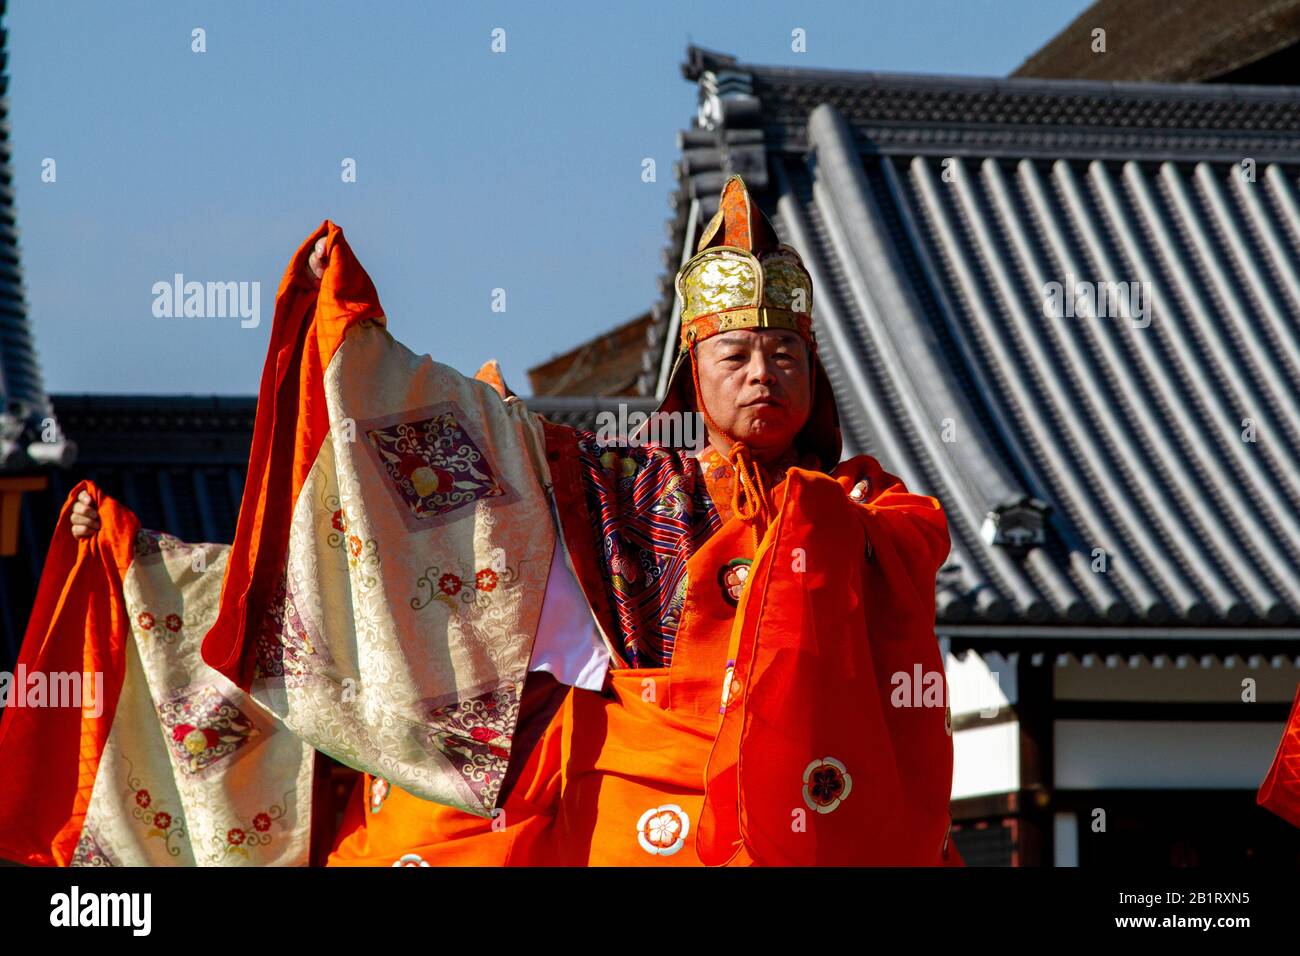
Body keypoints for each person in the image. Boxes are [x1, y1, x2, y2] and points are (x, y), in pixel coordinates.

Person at [64, 174, 961, 866]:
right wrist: (356, 340)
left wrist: (814, 520)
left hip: (828, 803)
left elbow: (911, 553)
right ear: (694, 372)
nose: (765, 372)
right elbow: (492, 462)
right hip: (643, 809)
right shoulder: (633, 485)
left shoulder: (869, 505)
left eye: (786, 353)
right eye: (737, 352)